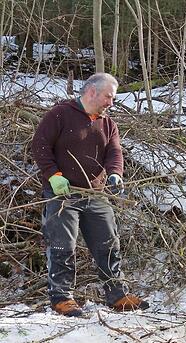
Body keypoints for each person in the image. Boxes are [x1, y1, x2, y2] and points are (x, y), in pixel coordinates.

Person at [31, 72, 149, 317]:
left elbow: (114, 152)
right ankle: (62, 298)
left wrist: (115, 173)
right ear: (92, 91)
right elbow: (40, 145)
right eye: (109, 97)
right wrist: (53, 174)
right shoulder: (60, 114)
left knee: (108, 241)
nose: (111, 103)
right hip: (62, 194)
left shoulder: (108, 123)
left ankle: (117, 294)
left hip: (94, 193)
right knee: (63, 245)